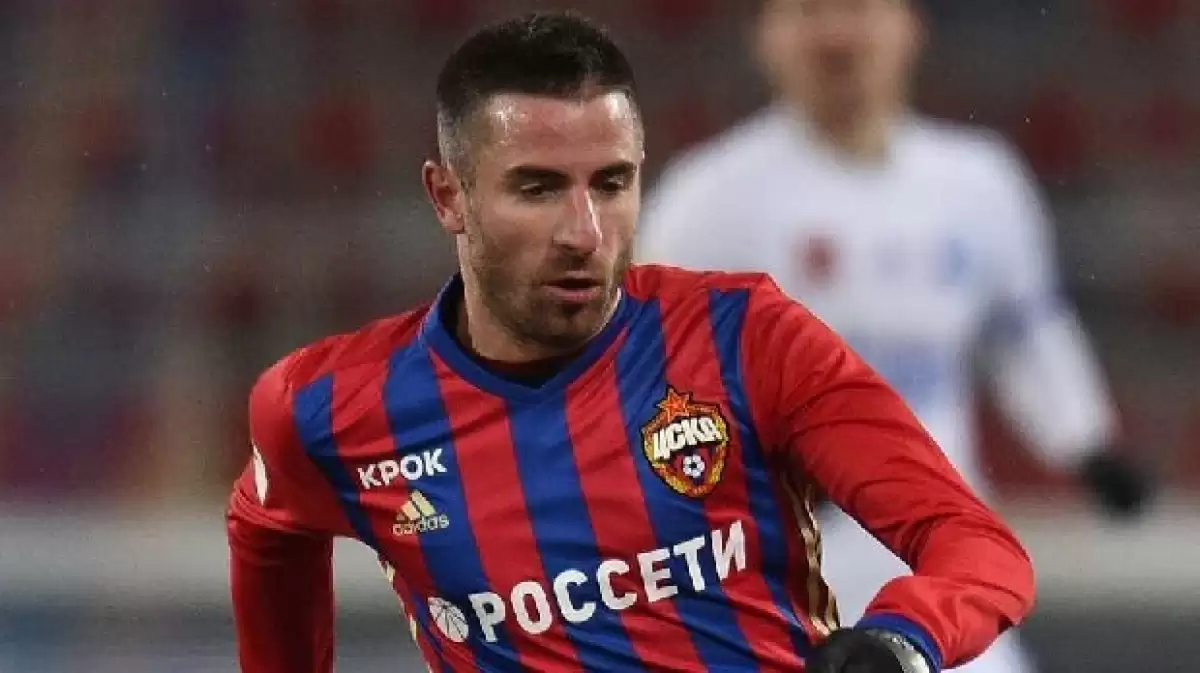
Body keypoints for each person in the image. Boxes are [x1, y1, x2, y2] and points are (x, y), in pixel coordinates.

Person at [227, 11, 1034, 673]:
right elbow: (266, 527)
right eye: (537, 188)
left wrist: (903, 638)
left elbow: (979, 546)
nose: (584, 231)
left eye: (611, 183)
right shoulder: (330, 409)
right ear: (448, 197)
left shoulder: (748, 337)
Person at [636, 1, 1152, 671]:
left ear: (910, 26)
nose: (835, 35)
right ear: (765, 37)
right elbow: (644, 380)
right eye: (807, 12)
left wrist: (1087, 444)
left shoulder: (980, 183)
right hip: (785, 598)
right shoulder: (708, 201)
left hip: (946, 583)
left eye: (857, 8)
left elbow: (1025, 333)